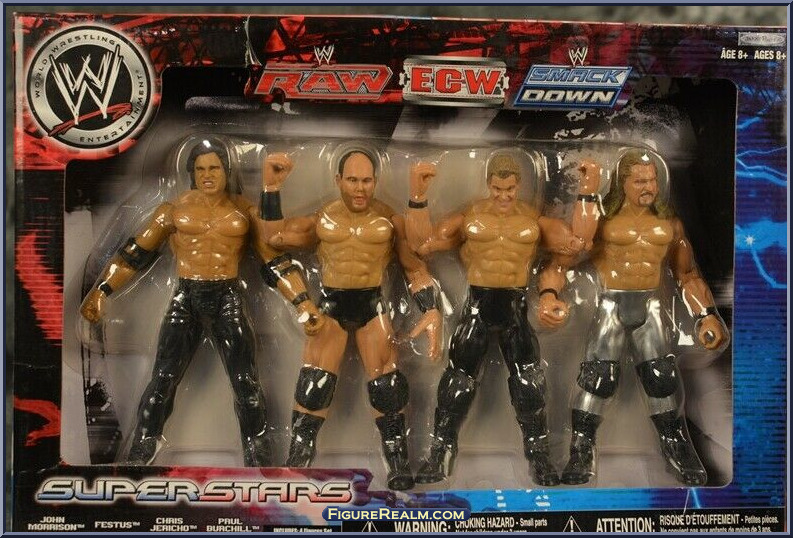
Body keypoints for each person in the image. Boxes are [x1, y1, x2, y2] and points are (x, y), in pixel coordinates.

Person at [80, 137, 322, 467]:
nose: (208, 175)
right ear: (192, 173)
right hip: (186, 297)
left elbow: (274, 262)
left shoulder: (244, 212)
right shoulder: (173, 212)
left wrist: (303, 303)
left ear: (226, 171)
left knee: (245, 381)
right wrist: (102, 291)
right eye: (201, 169)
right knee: (163, 378)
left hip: (227, 297)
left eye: (214, 168)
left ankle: (257, 452)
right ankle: (143, 446)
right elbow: (134, 254)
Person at [538, 148, 728, 486]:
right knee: (597, 379)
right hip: (611, 304)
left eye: (652, 180)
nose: (648, 187)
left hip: (650, 306)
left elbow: (687, 275)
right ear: (622, 183)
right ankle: (582, 449)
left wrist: (706, 315)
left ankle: (675, 444)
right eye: (640, 181)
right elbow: (565, 257)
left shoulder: (669, 225)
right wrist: (549, 295)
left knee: (662, 378)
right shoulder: (604, 225)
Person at [404, 153, 594, 486]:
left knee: (529, 384)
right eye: (497, 188)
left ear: (518, 185)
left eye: (509, 189)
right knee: (457, 383)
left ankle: (539, 458)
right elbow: (422, 244)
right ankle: (440, 453)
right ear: (488, 184)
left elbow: (577, 243)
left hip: (514, 307)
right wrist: (417, 196)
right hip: (477, 306)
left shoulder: (533, 219)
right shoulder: (470, 216)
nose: (503, 196)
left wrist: (588, 191)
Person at [260, 148, 442, 491]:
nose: (360, 188)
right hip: (331, 304)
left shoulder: (389, 221)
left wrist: (431, 309)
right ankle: (297, 462)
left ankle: (398, 463)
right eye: (353, 180)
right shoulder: (323, 220)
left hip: (372, 305)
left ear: (376, 181)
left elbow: (415, 266)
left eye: (367, 181)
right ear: (338, 180)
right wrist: (271, 189)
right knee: (314, 384)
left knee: (387, 387)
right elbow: (274, 237)